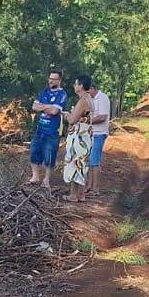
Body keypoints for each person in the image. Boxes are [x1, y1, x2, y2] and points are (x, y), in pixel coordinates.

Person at [62, 75, 98, 203]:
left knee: (75, 163)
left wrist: (66, 115)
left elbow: (72, 119)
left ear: (81, 86)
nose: (74, 86)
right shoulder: (90, 99)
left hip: (79, 137)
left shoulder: (83, 100)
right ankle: (81, 194)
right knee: (82, 164)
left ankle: (73, 195)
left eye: (76, 84)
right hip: (86, 136)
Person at [29, 70, 68, 189]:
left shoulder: (62, 94)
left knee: (49, 155)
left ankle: (46, 179)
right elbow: (34, 107)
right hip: (40, 128)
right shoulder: (44, 92)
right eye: (50, 78)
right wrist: (49, 107)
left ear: (59, 80)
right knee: (34, 151)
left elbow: (55, 111)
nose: (51, 81)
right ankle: (35, 177)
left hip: (53, 130)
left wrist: (43, 106)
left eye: (54, 79)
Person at [85, 80, 111, 197]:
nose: (87, 93)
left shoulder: (103, 98)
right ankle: (89, 186)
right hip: (91, 133)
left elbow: (102, 117)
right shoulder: (90, 99)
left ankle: (95, 189)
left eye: (88, 91)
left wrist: (88, 121)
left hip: (99, 133)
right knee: (89, 161)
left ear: (93, 88)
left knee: (94, 161)